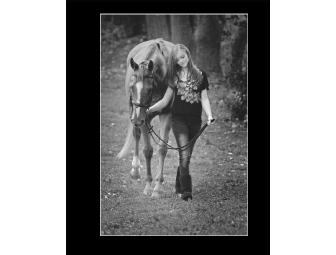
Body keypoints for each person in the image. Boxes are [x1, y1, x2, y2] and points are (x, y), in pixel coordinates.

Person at [146, 44, 215, 201]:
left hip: (195, 121)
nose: (181, 61)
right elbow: (165, 101)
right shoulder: (174, 77)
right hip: (178, 120)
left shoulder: (201, 75)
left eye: (183, 57)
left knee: (187, 155)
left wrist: (210, 115)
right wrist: (149, 110)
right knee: (184, 155)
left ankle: (178, 186)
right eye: (177, 60)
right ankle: (186, 191)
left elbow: (204, 97)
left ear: (188, 55)